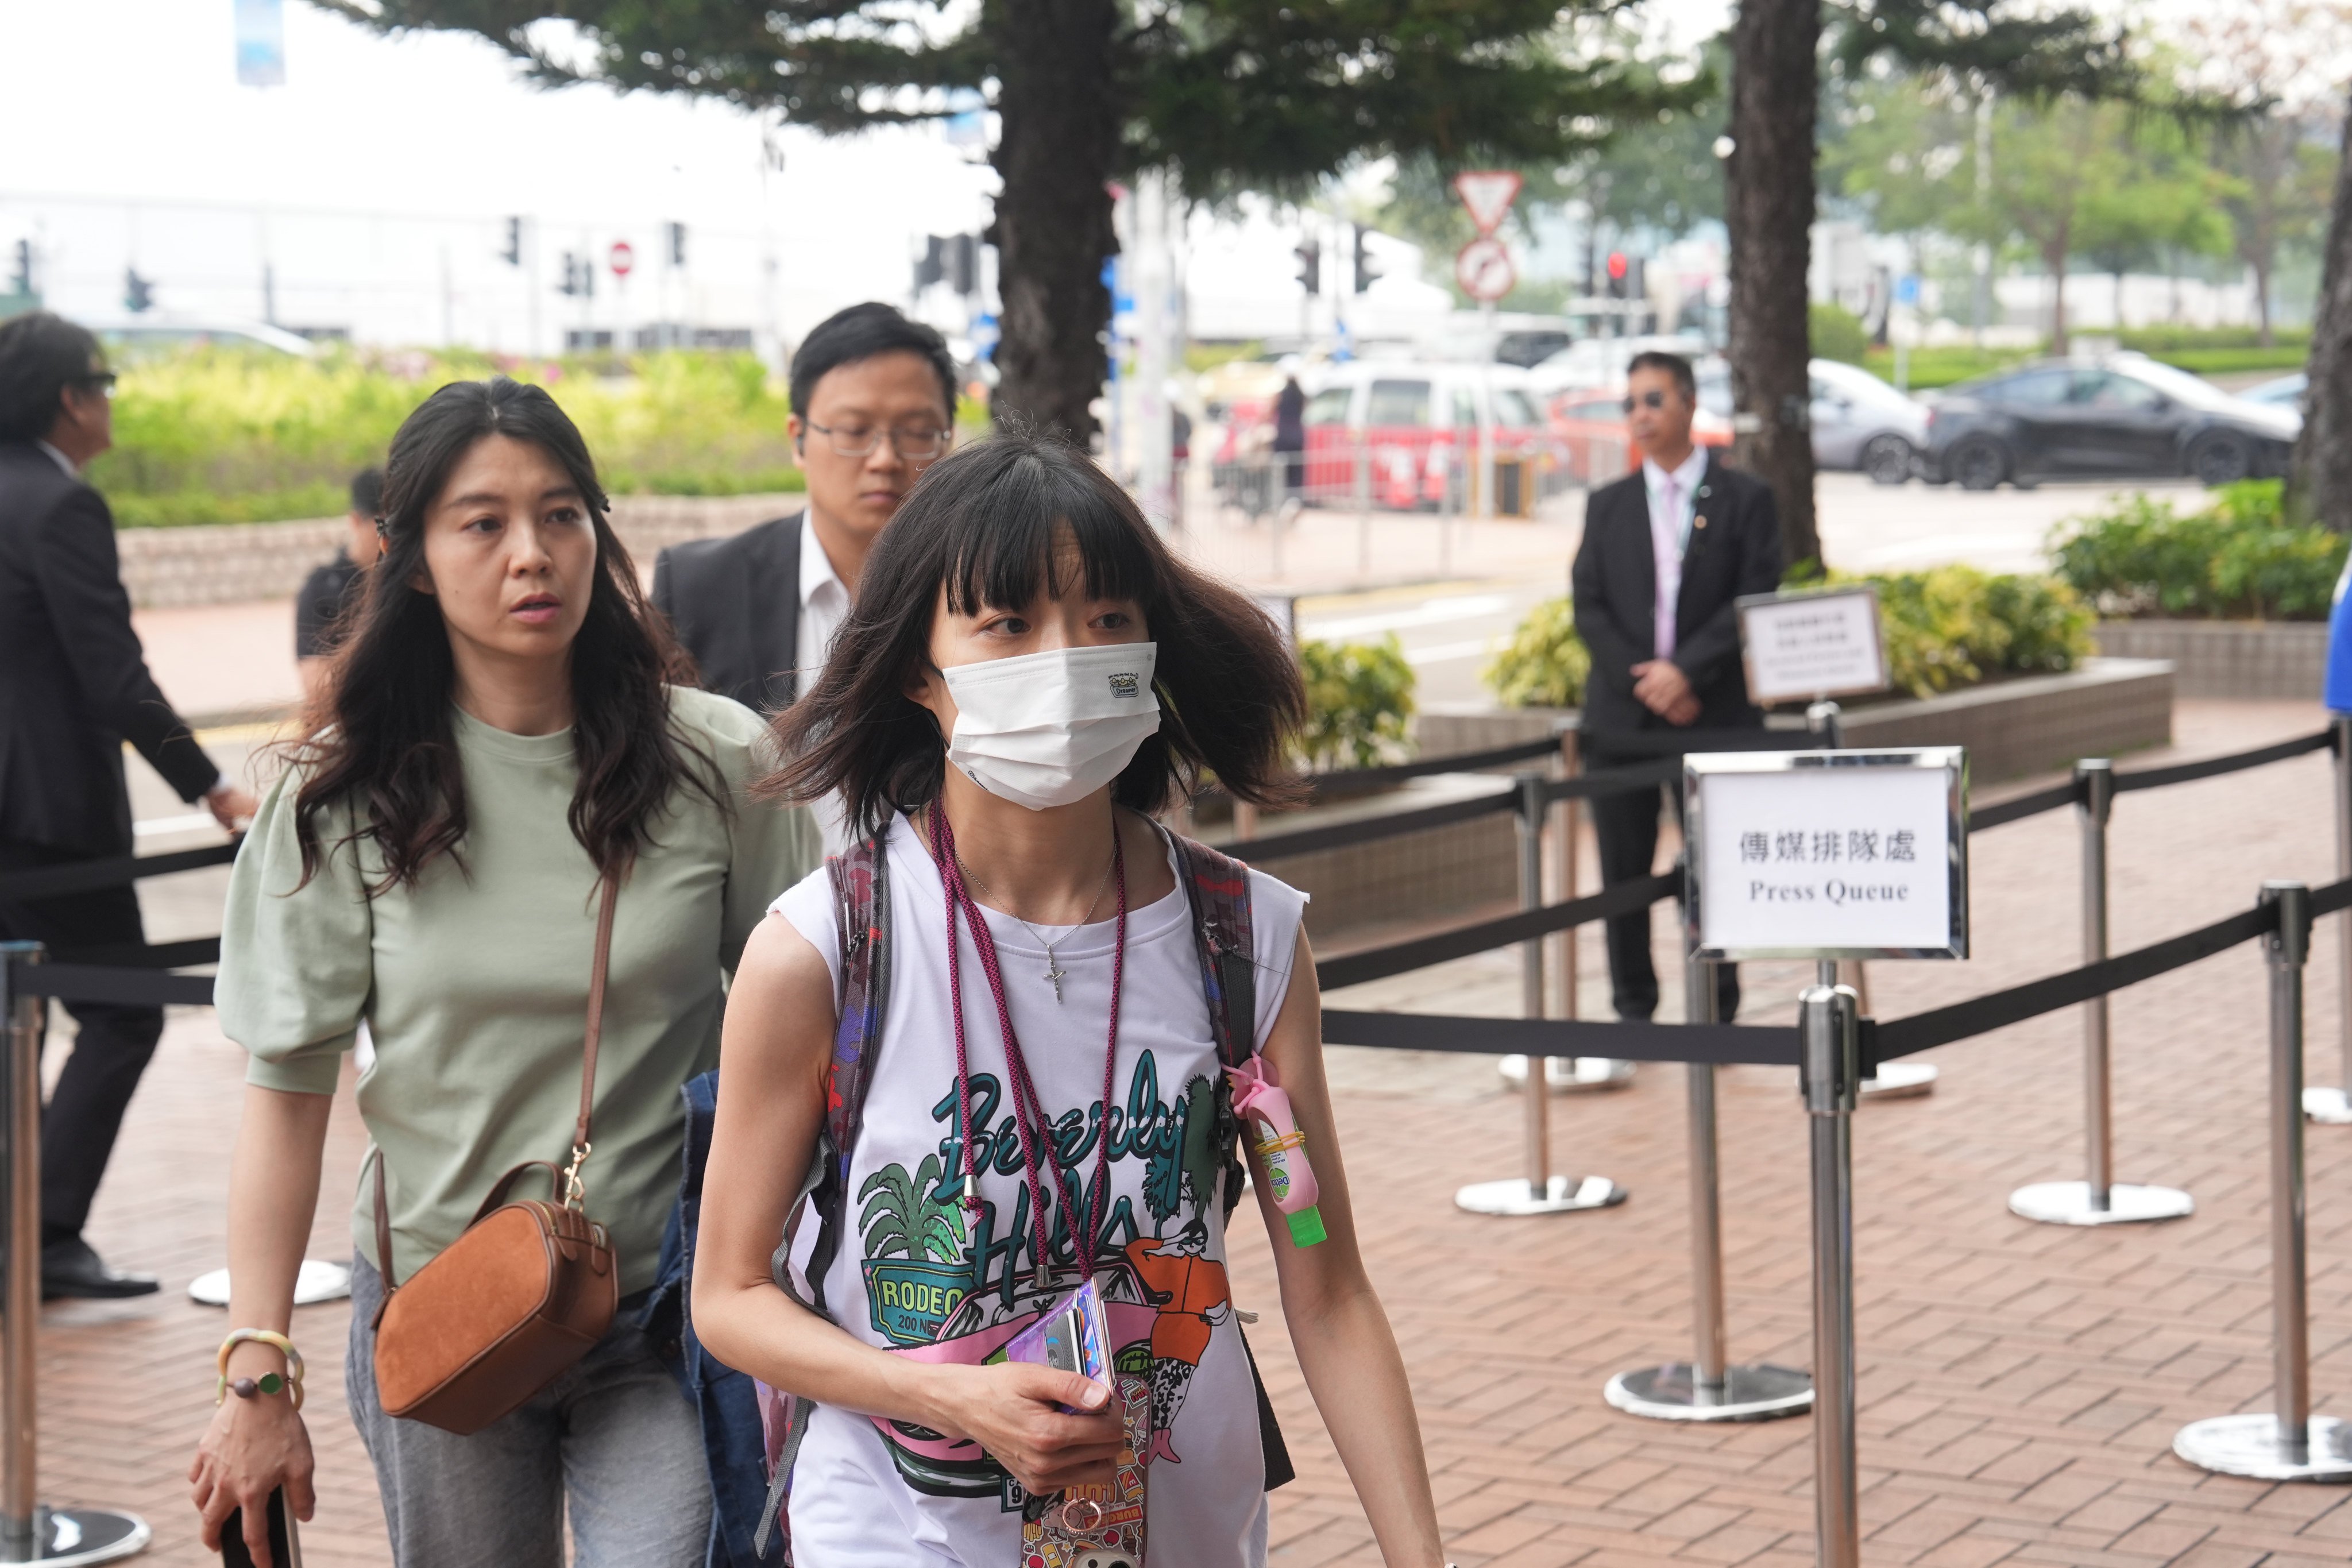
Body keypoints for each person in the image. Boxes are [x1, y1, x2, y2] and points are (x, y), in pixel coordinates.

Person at [690, 431, 1445, 1565]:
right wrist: (952, 1401)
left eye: (1103, 620)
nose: (1065, 659)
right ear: (918, 669)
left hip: (1184, 1522)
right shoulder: (822, 950)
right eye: (1007, 624)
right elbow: (730, 1295)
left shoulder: (1245, 940)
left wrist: (1418, 1555)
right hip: (898, 1524)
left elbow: (1327, 1290)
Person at [191, 377, 818, 1568]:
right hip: (447, 1314)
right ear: (413, 555)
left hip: (665, 1316)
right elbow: (285, 1096)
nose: (532, 554)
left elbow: (822, 1032)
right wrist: (255, 1368)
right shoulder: (340, 799)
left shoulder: (717, 760)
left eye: (562, 513)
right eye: (483, 523)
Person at [0, 311, 259, 1301]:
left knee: (9, 1018)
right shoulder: (61, 508)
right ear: (71, 397)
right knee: (119, 1014)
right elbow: (113, 674)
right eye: (103, 382)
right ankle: (46, 1235)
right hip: (49, 820)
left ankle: (17, 1236)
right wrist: (211, 784)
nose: (109, 401)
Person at [1571, 349, 1782, 1025]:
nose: (1639, 414)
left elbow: (1755, 593)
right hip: (1624, 718)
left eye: (1653, 400)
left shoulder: (1748, 498)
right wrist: (1649, 680)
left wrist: (1686, 671)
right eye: (1629, 403)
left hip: (1711, 709)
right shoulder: (1607, 506)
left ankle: (1717, 1007)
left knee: (1715, 864)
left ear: (1689, 404)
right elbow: (1589, 605)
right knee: (1624, 871)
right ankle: (1634, 1009)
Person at [652, 303, 956, 716]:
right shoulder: (698, 589)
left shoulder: (988, 595)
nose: (884, 459)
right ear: (798, 440)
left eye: (919, 433)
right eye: (854, 430)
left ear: (948, 443)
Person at [293, 466, 384, 700]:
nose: (392, 539)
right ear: (356, 521)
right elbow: (317, 683)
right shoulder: (323, 588)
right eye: (382, 526)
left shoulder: (415, 579)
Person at [1271, 357, 1306, 505]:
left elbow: (1268, 412)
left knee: (1281, 473)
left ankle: (1281, 502)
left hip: (1283, 437)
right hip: (1297, 437)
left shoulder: (1280, 395)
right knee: (1296, 474)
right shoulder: (1302, 395)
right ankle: (1294, 502)